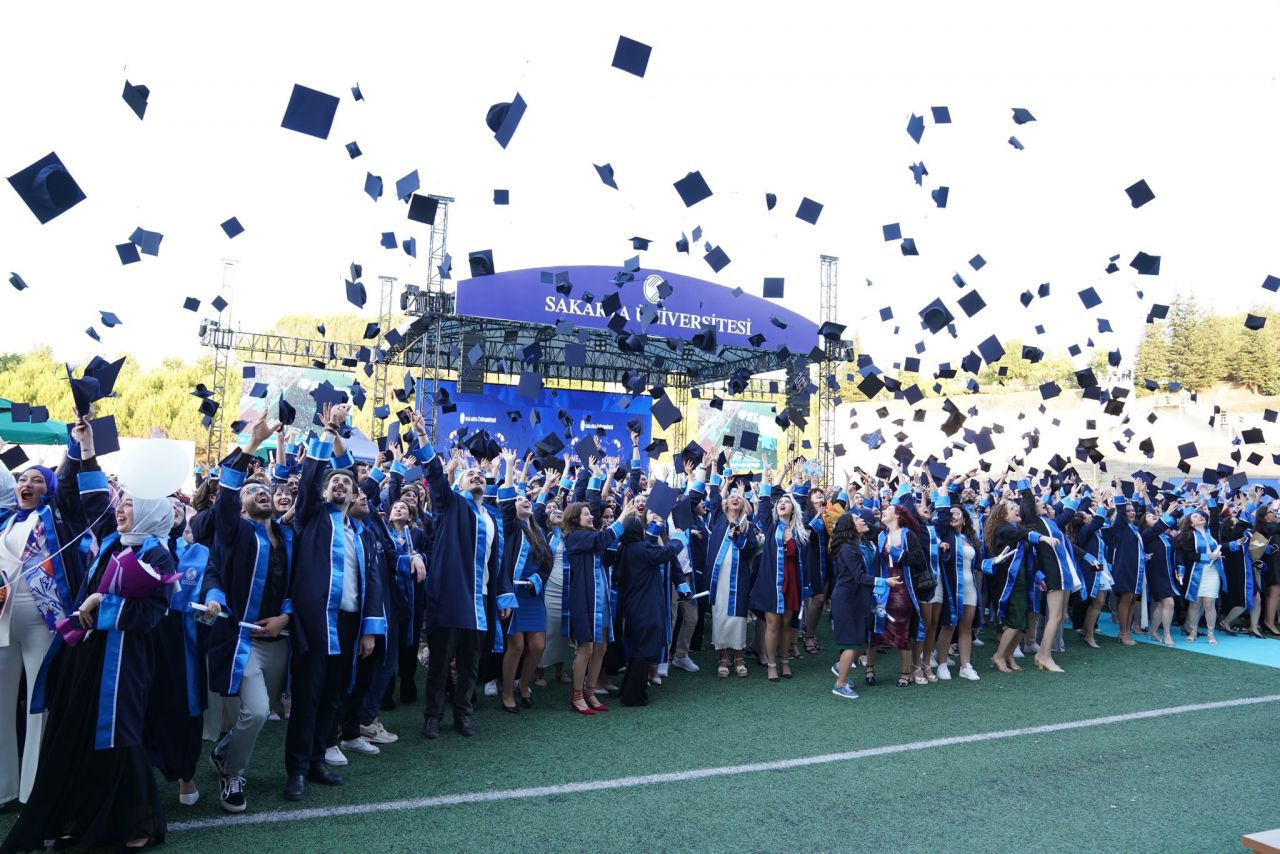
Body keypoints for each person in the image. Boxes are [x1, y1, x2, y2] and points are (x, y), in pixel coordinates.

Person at [2, 416, 171, 852]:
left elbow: (152, 614)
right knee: (74, 732)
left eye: (131, 503)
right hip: (86, 652)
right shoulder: (114, 540)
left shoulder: (157, 554)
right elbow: (97, 500)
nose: (121, 508)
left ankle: (137, 819)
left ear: (151, 510)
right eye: (123, 502)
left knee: (119, 735)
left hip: (124, 659)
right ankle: (73, 813)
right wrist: (86, 447)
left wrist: (104, 606)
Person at [282, 402, 385, 802]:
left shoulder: (361, 533)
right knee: (308, 695)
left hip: (348, 624)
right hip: (314, 622)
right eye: (334, 483)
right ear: (326, 491)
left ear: (356, 494)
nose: (340, 485)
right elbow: (307, 482)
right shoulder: (312, 516)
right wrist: (328, 434)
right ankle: (296, 769)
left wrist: (370, 630)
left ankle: (318, 758)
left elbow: (371, 584)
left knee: (333, 695)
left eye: (347, 483)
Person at [201, 417, 294, 813]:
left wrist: (286, 618)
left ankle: (224, 750)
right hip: (244, 638)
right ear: (241, 500)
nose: (261, 492)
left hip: (280, 639)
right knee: (254, 711)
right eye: (252, 489)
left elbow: (298, 586)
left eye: (266, 489)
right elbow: (224, 500)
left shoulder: (289, 537)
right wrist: (252, 444)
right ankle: (232, 772)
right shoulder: (235, 532)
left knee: (266, 708)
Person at [413, 413, 513, 739]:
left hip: (479, 598)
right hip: (452, 596)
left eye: (480, 474)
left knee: (471, 663)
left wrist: (500, 595)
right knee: (441, 662)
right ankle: (432, 716)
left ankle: (463, 713)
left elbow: (496, 562)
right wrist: (424, 440)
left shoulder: (492, 517)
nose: (477, 476)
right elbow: (435, 479)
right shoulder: (451, 504)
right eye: (471, 474)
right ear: (461, 483)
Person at [0, 457, 85, 809]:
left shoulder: (56, 517)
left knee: (38, 705)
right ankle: (4, 788)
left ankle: (33, 792)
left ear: (47, 489)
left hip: (43, 620)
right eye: (22, 479)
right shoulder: (3, 521)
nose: (27, 484)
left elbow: (68, 485)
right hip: (3, 621)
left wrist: (76, 449)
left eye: (36, 480)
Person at [496, 451, 553, 712]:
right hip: (514, 594)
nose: (525, 502)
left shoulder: (538, 531)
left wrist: (536, 580)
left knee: (538, 644)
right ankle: (507, 692)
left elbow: (547, 565)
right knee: (517, 646)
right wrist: (510, 467)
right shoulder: (509, 528)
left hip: (534, 594)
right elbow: (507, 505)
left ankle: (524, 684)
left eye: (527, 499)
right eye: (519, 500)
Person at [563, 497, 629, 713]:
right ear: (574, 518)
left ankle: (591, 692)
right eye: (585, 513)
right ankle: (577, 695)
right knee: (586, 647)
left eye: (590, 513)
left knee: (601, 646)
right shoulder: (574, 537)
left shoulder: (591, 536)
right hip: (584, 599)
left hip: (601, 598)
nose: (591, 516)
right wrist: (622, 517)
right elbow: (601, 542)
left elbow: (606, 555)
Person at [615, 515, 686, 706]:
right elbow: (666, 553)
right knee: (644, 651)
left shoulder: (626, 548)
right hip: (645, 606)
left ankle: (628, 691)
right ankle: (634, 696)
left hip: (634, 605)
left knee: (639, 649)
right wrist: (679, 538)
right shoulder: (639, 548)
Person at [751, 462, 809, 682]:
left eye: (787, 501)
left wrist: (799, 475)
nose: (783, 503)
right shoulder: (769, 525)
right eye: (781, 502)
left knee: (787, 623)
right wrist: (768, 472)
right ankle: (771, 664)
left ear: (793, 508)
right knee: (773, 623)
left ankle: (785, 662)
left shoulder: (799, 532)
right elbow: (765, 500)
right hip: (771, 582)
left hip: (791, 582)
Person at [828, 510, 896, 699]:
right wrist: (885, 582)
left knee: (857, 642)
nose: (862, 520)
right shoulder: (849, 549)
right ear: (850, 526)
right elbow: (859, 577)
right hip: (847, 600)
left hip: (856, 599)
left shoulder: (856, 546)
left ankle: (841, 668)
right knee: (852, 643)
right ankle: (840, 684)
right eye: (857, 519)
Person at [1018, 481, 1078, 673]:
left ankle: (1041, 654)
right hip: (1051, 571)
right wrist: (1018, 473)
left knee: (1058, 617)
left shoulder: (1049, 522)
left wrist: (1073, 496)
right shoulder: (1034, 522)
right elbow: (1027, 498)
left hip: (1062, 571)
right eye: (1037, 500)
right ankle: (1045, 656)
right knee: (1055, 616)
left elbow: (1067, 513)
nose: (1042, 502)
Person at [705, 462, 757, 679]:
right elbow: (715, 497)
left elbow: (751, 550)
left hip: (739, 578)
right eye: (732, 496)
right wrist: (715, 466)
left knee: (737, 618)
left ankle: (738, 656)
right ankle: (722, 657)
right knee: (719, 616)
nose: (735, 498)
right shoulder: (718, 518)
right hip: (719, 579)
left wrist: (739, 538)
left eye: (739, 497)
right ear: (726, 503)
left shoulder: (747, 525)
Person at [871, 503, 927, 687]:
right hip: (882, 588)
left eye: (888, 510)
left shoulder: (907, 534)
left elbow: (919, 559)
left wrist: (896, 552)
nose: (884, 511)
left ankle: (906, 672)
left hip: (903, 588)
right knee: (875, 627)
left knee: (902, 629)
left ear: (897, 515)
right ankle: (869, 669)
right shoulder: (880, 535)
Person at [984, 498, 1031, 673]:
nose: (1017, 508)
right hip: (1008, 582)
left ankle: (1009, 655)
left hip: (1022, 580)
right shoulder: (1002, 529)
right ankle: (998, 655)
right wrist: (1039, 536)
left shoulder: (1014, 529)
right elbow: (1023, 536)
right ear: (1004, 515)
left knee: (1022, 622)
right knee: (1015, 620)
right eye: (1012, 508)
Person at [1178, 508, 1227, 644]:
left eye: (1201, 515)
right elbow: (1189, 555)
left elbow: (1215, 516)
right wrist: (1208, 556)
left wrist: (1209, 498)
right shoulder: (1188, 535)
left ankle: (1211, 634)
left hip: (1213, 572)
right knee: (1195, 604)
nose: (1200, 517)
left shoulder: (1212, 532)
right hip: (1196, 572)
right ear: (1191, 523)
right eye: (1195, 516)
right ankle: (1193, 630)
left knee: (1209, 603)